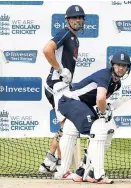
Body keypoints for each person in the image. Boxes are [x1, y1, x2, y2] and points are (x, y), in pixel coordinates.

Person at [54, 52, 131, 184]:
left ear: (128, 68)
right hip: (70, 100)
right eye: (118, 65)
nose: (121, 68)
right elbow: (100, 98)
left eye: (124, 66)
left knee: (102, 133)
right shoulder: (105, 75)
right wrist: (103, 113)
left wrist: (105, 110)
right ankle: (96, 175)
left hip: (81, 105)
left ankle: (81, 173)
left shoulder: (117, 84)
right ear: (112, 65)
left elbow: (101, 101)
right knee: (99, 132)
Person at [39, 4, 85, 178]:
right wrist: (59, 69)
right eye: (74, 17)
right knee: (68, 126)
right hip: (56, 85)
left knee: (66, 125)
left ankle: (49, 163)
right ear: (67, 20)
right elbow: (46, 50)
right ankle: (62, 168)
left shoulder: (75, 39)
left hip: (62, 86)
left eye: (80, 17)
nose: (78, 20)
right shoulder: (65, 34)